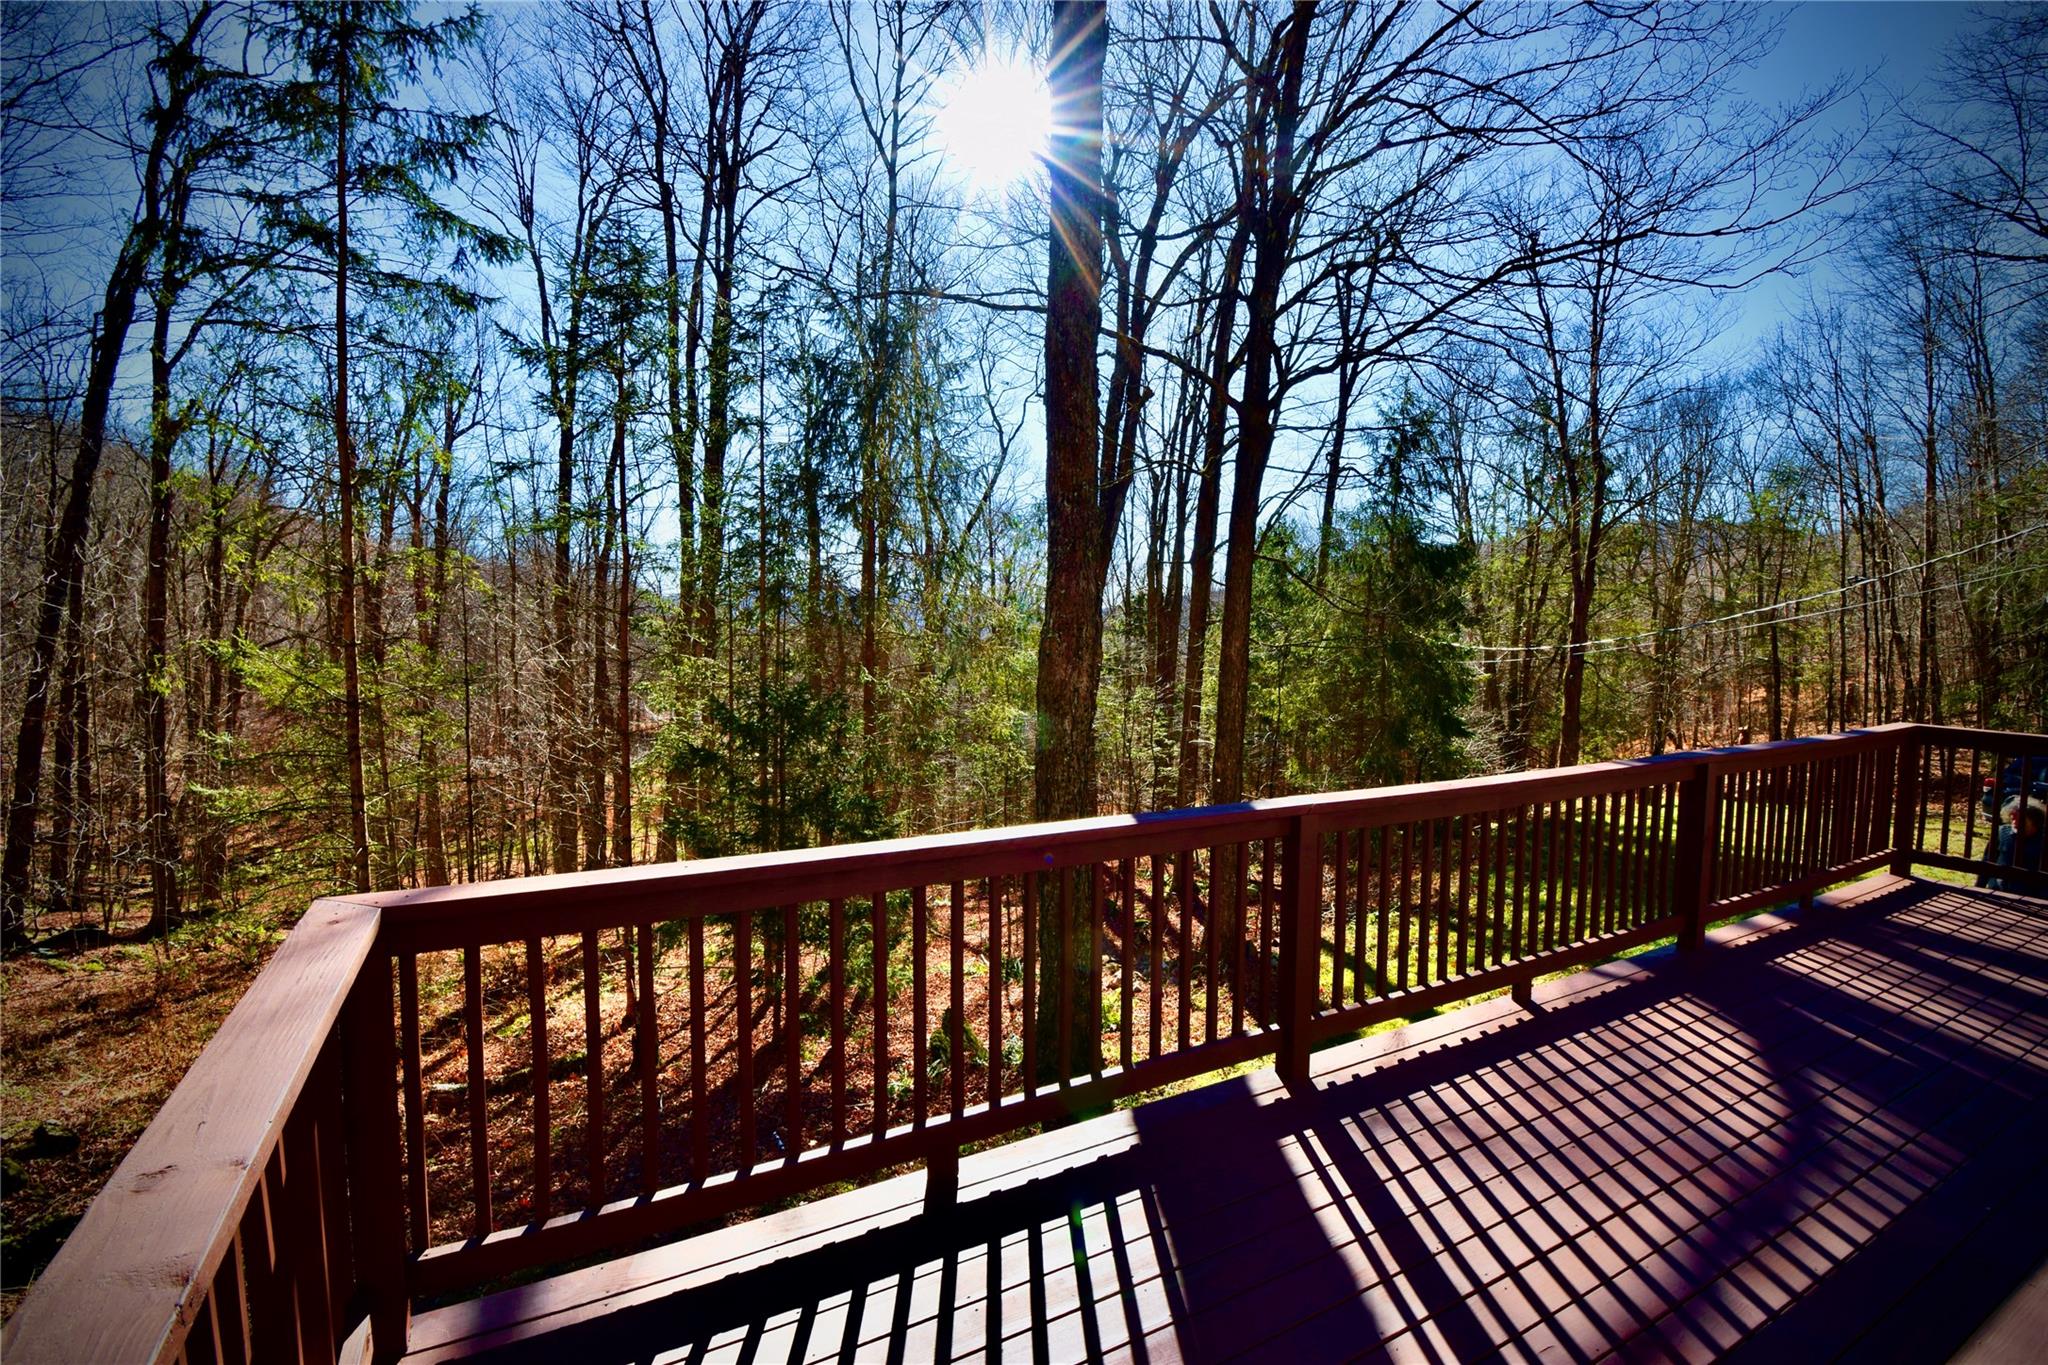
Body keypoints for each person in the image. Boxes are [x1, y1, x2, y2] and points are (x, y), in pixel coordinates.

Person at [1981, 793, 2046, 892]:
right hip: (1998, 888)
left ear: (2034, 821)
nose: (2015, 822)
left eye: (2020, 819)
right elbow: (1986, 861)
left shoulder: (2043, 840)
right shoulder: (2001, 832)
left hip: (2030, 893)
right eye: (2013, 817)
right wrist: (1979, 887)